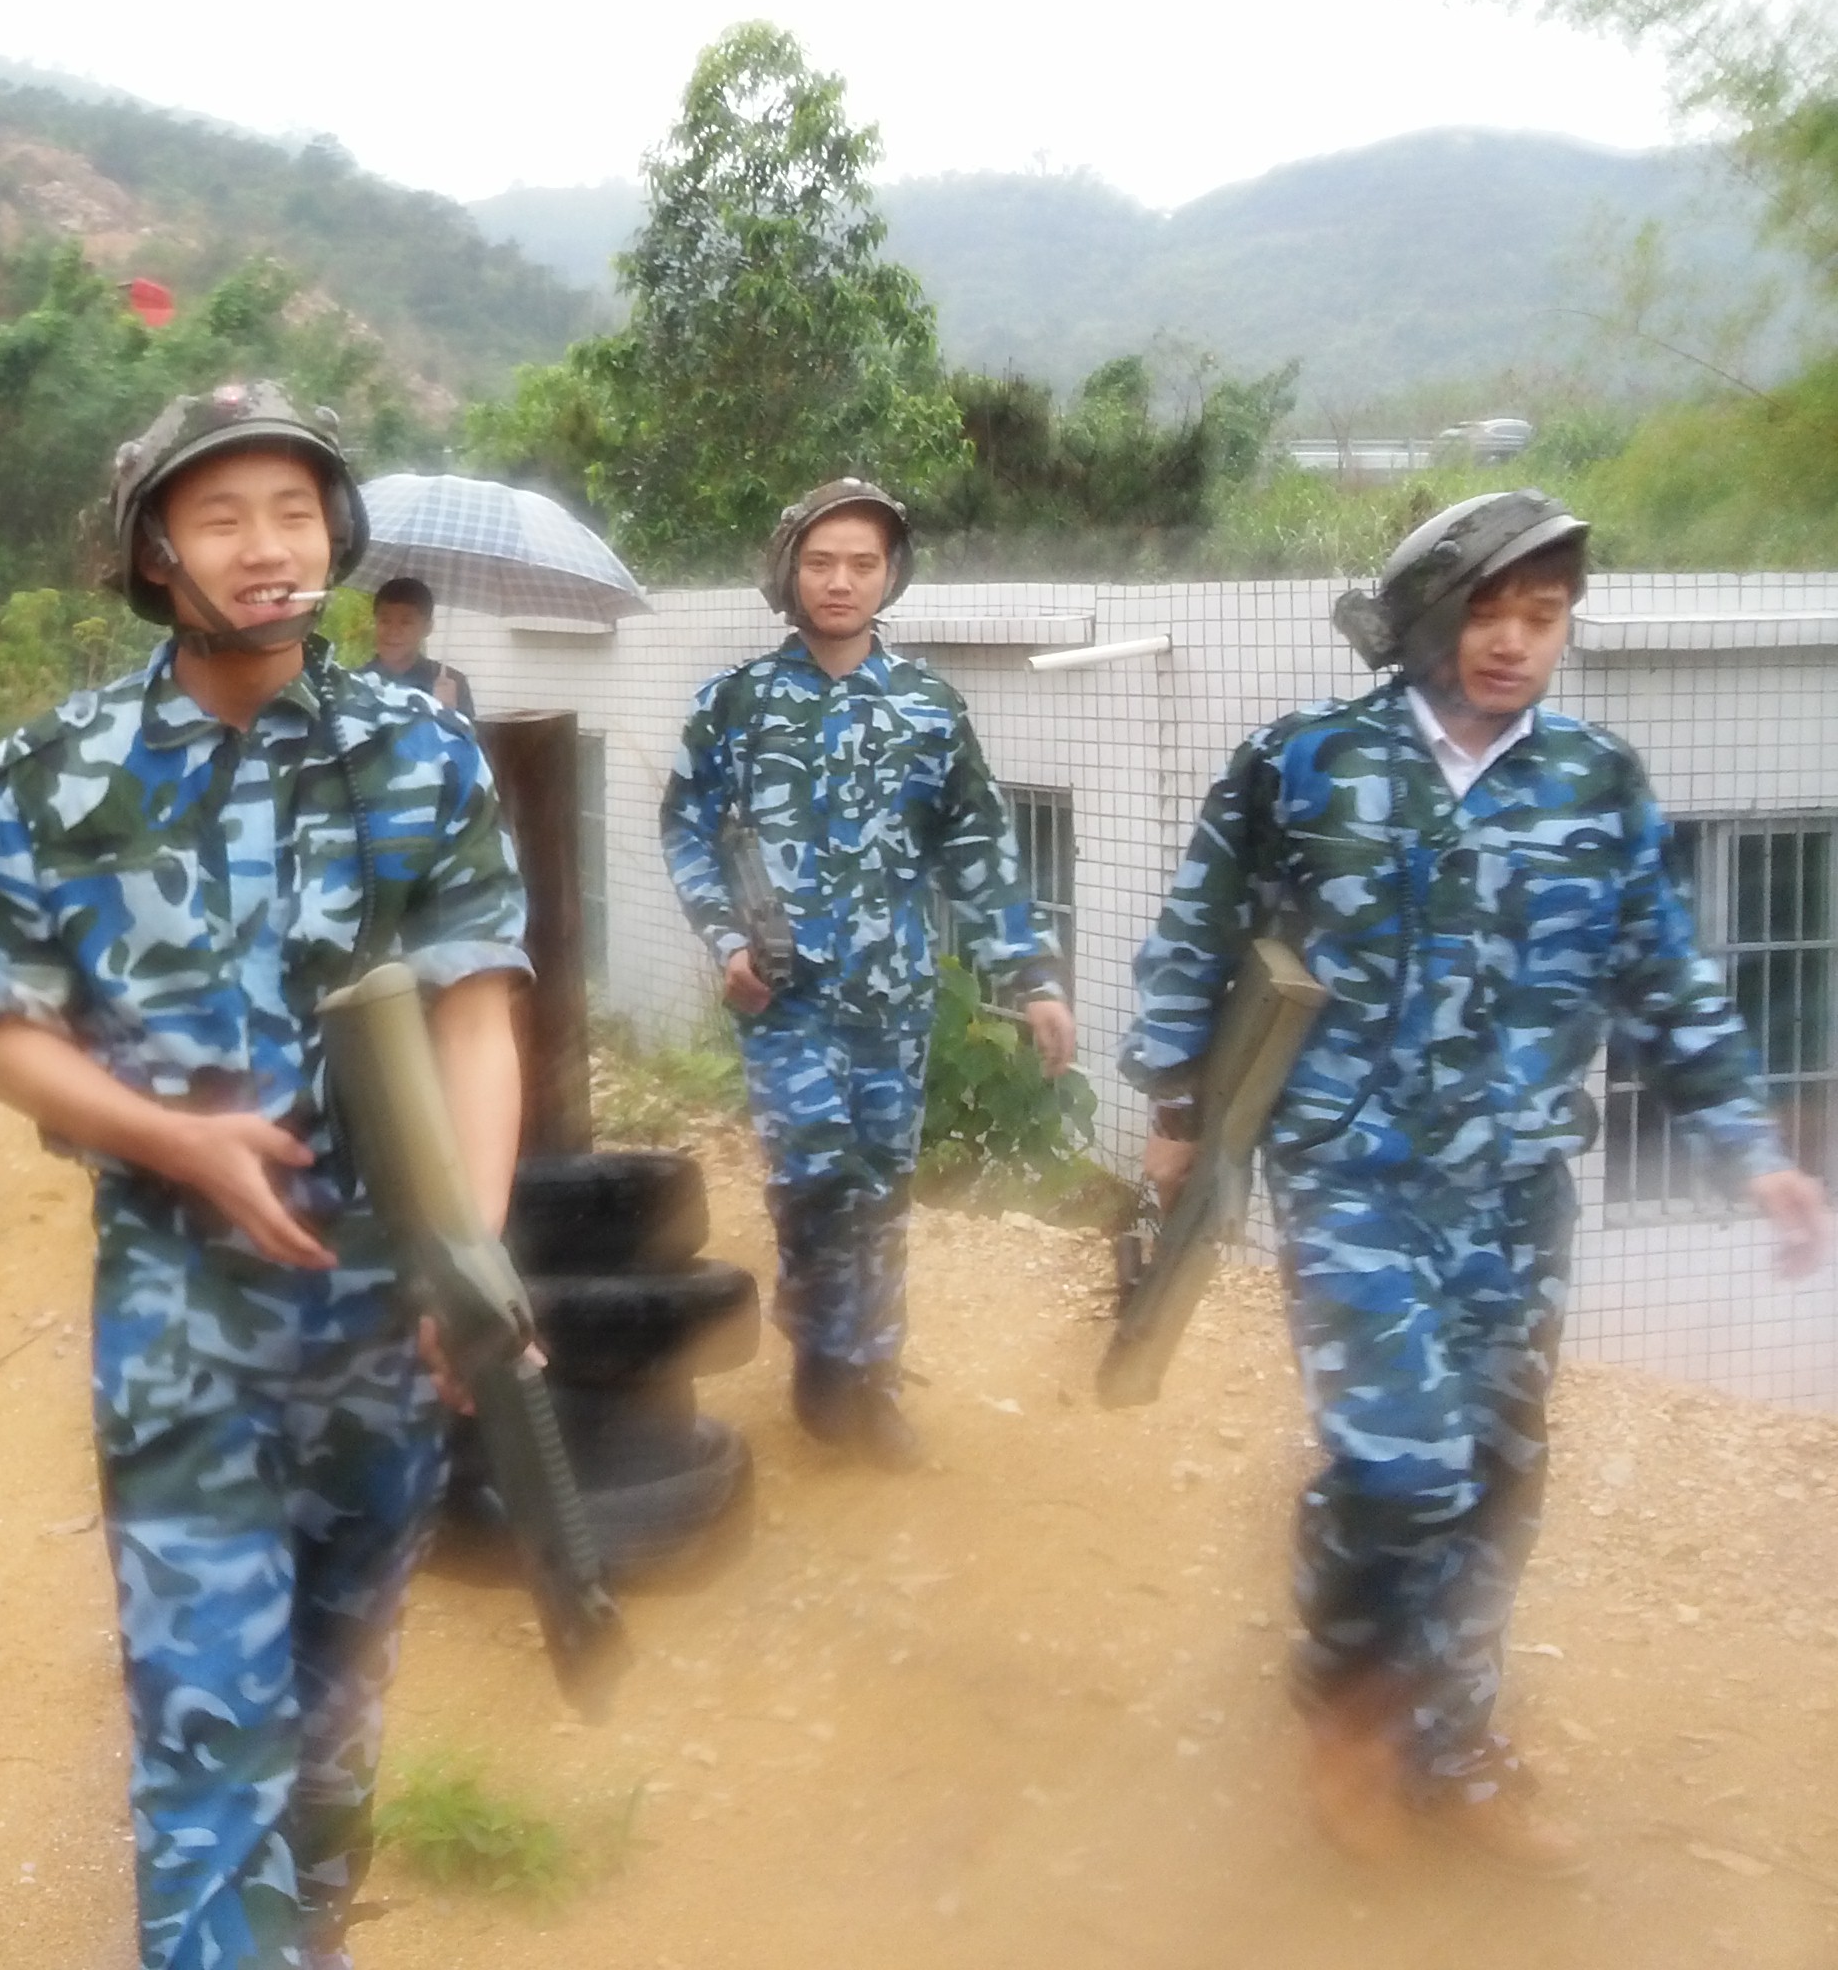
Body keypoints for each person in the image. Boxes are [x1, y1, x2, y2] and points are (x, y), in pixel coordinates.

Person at [1125, 489, 1826, 1868]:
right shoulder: (1305, 762)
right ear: (1425, 619)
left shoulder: (1594, 780)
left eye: (1543, 616)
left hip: (1518, 1190)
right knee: (1400, 1466)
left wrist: (1750, 1147)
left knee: (1499, 1472)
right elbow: (1200, 924)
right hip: (1349, 1167)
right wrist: (1172, 1103)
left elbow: (1664, 975)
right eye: (1487, 611)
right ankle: (1350, 1704)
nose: (1513, 642)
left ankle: (1453, 1739)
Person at [0, 381, 530, 1970]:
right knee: (211, 1743)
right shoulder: (55, 770)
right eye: (223, 516)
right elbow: (7, 1037)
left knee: (336, 1725)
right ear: (155, 551)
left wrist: (469, 1262)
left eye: (295, 514)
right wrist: (175, 1140)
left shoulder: (421, 753)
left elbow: (480, 1013)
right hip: (182, 1331)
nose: (269, 548)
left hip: (386, 1321)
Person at [658, 476, 1073, 1467]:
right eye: (821, 561)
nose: (841, 581)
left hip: (894, 998)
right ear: (789, 570)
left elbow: (978, 845)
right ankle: (825, 1351)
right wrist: (724, 940)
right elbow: (686, 828)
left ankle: (866, 1375)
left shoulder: (929, 708)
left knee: (880, 1188)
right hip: (783, 996)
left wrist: (1032, 977)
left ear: (890, 577)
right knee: (814, 1178)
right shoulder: (737, 706)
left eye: (863, 564)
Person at [364, 574, 477, 718]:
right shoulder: (354, 683)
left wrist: (449, 713)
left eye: (406, 622)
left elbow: (468, 740)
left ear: (427, 628)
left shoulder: (450, 684)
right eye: (385, 620)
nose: (393, 631)